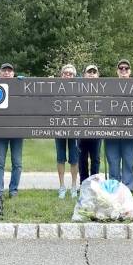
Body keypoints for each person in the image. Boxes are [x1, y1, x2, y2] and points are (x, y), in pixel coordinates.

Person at [105, 59, 133, 191]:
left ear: (130, 71)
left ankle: (127, 189)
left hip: (130, 132)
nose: (123, 70)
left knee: (129, 162)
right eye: (121, 68)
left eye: (126, 68)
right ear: (117, 71)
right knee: (113, 162)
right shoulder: (108, 86)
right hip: (111, 131)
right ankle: (114, 189)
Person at [0, 63, 23, 197]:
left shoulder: (19, 86)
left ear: (13, 73)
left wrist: (23, 83)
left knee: (17, 163)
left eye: (9, 71)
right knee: (0, 163)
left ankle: (13, 190)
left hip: (17, 131)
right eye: (4, 71)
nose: (6, 73)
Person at [55, 63, 80, 199]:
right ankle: (62, 186)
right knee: (60, 158)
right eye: (66, 73)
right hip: (58, 128)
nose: (68, 75)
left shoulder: (78, 90)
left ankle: (74, 186)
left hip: (74, 129)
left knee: (74, 159)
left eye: (71, 74)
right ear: (62, 74)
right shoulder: (55, 88)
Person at [78, 64, 101, 183]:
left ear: (98, 75)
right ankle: (83, 183)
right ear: (84, 75)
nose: (91, 74)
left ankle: (94, 184)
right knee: (82, 159)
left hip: (96, 129)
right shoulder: (78, 88)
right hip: (81, 129)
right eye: (89, 72)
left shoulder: (102, 89)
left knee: (95, 159)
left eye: (94, 72)